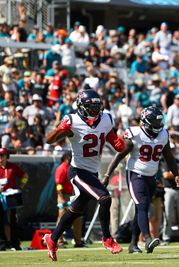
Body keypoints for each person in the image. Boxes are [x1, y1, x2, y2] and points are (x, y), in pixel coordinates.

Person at [43, 89, 125, 261]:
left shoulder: (106, 119)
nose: (95, 111)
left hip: (92, 172)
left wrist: (117, 142)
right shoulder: (72, 121)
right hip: (78, 171)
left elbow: (108, 136)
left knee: (75, 210)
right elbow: (49, 140)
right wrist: (59, 129)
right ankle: (107, 238)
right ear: (81, 107)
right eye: (91, 107)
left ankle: (52, 238)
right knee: (105, 199)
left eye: (97, 107)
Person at [103, 106, 179, 254]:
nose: (158, 126)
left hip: (151, 176)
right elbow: (119, 155)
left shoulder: (163, 134)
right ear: (146, 122)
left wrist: (176, 173)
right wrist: (107, 175)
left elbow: (169, 156)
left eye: (159, 122)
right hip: (135, 174)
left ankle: (133, 245)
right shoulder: (135, 134)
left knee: (141, 209)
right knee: (143, 206)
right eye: (155, 123)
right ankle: (146, 239)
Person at [160, 143, 179, 245]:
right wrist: (178, 173)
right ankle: (166, 237)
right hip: (169, 190)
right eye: (170, 149)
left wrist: (173, 173)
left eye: (173, 149)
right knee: (168, 215)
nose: (172, 151)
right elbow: (166, 175)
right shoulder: (164, 162)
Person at [0, 147, 29, 250]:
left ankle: (14, 243)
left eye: (2, 156)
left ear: (6, 157)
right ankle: (3, 243)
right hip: (0, 197)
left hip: (10, 197)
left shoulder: (13, 167)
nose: (0, 158)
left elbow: (25, 176)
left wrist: (21, 186)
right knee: (2, 221)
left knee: (12, 220)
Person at [54, 151, 83, 247]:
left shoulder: (74, 167)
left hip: (74, 195)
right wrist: (61, 198)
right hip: (64, 195)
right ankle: (59, 240)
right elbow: (58, 185)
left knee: (78, 217)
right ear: (67, 158)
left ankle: (78, 241)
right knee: (62, 217)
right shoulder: (62, 168)